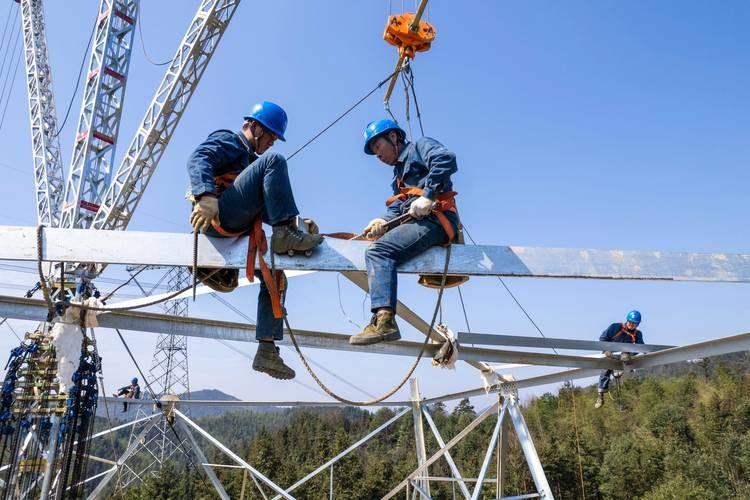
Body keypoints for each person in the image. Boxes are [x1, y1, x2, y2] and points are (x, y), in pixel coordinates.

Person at [187, 101, 323, 380]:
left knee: (276, 276)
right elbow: (199, 157)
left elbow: (263, 206)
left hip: (236, 223)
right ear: (255, 127)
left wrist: (296, 222)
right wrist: (206, 196)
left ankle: (267, 349)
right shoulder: (230, 141)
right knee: (274, 161)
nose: (272, 142)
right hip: (218, 215)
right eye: (271, 135)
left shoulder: (250, 163)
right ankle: (284, 234)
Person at [349, 119, 459, 346]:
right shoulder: (398, 177)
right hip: (421, 222)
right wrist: (383, 221)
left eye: (378, 146)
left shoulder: (420, 146)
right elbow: (398, 207)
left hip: (437, 219)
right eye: (374, 152)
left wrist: (428, 195)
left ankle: (384, 322)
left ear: (393, 137)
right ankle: (383, 320)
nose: (378, 155)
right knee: (378, 248)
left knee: (378, 252)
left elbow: (445, 159)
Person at [595, 310, 644, 408]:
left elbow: (641, 347)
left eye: (634, 324)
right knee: (606, 369)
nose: (631, 325)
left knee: (629, 368)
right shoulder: (615, 327)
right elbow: (603, 339)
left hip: (625, 357)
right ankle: (600, 395)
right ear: (627, 320)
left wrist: (630, 353)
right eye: (630, 322)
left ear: (638, 324)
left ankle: (631, 397)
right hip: (610, 354)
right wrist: (606, 350)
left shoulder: (637, 334)